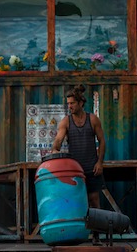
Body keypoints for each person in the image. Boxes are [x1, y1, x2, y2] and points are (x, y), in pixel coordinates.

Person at [51, 84, 106, 245]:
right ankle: (74, 235)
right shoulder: (66, 122)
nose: (70, 107)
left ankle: (96, 236)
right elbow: (58, 140)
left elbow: (102, 141)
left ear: (81, 103)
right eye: (68, 104)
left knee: (94, 201)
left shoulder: (93, 119)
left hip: (91, 166)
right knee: (74, 202)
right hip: (74, 170)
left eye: (72, 103)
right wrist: (55, 149)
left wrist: (100, 162)